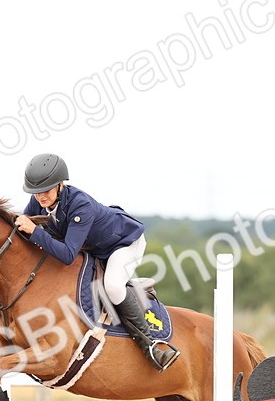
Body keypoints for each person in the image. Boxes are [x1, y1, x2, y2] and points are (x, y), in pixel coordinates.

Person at [13, 153, 179, 370]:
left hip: (123, 243)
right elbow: (22, 232)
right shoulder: (38, 203)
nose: (40, 197)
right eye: (35, 192)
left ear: (60, 185)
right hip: (94, 248)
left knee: (112, 286)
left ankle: (151, 348)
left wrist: (34, 231)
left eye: (45, 190)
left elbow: (67, 255)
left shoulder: (80, 205)